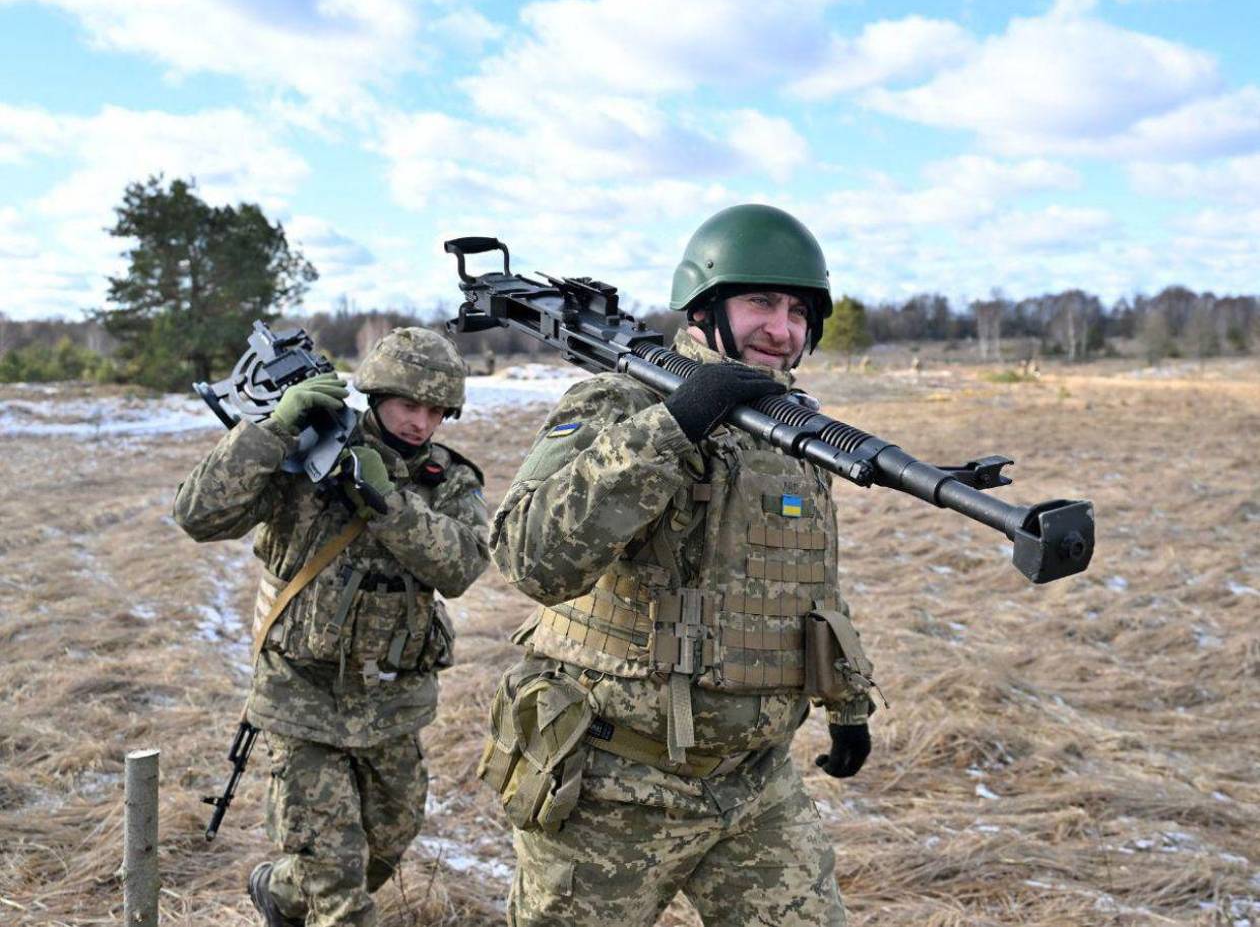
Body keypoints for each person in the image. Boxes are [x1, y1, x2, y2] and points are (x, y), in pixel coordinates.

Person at [481, 204, 877, 926]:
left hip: (754, 787)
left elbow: (810, 585)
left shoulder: (789, 430)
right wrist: (676, 423)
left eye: (797, 311)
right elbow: (528, 553)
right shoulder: (618, 400)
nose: (780, 329)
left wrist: (847, 702)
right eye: (760, 301)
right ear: (704, 306)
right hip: (610, 787)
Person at [173, 327, 490, 927]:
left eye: (434, 411)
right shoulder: (302, 455)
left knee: (385, 845)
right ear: (375, 396)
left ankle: (280, 891)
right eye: (407, 405)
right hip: (301, 696)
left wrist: (387, 502)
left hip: (393, 703)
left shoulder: (446, 479)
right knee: (340, 896)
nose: (420, 422)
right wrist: (271, 431)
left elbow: (462, 566)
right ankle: (316, 894)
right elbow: (198, 515)